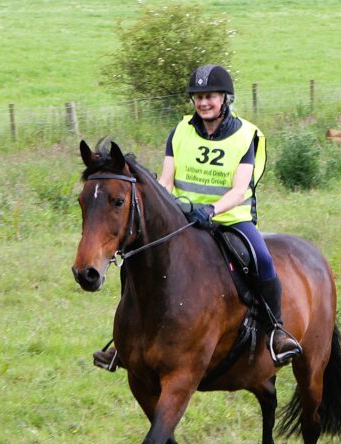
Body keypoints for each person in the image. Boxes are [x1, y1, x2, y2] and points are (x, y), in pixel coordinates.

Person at [93, 64, 302, 371]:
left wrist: (212, 210)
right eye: (198, 97)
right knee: (138, 257)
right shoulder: (180, 132)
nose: (204, 103)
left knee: (261, 258)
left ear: (224, 99)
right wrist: (168, 206)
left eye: (210, 96)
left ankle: (277, 330)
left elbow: (241, 189)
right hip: (182, 217)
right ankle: (123, 343)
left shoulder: (246, 136)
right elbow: (166, 181)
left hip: (231, 218)